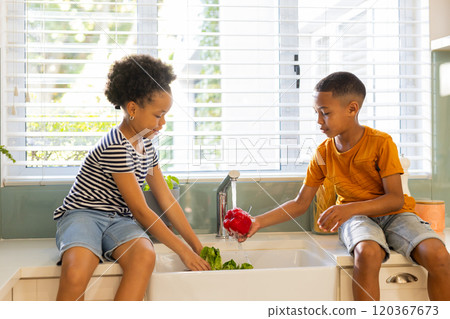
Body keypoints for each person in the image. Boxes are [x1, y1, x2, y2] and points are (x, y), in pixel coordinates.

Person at [241, 71, 450, 301]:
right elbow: (300, 203)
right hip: (356, 219)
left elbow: (395, 199)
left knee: (439, 254)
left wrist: (347, 209)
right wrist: (258, 221)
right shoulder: (323, 153)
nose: (319, 121)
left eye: (325, 113)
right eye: (316, 113)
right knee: (367, 253)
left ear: (352, 109)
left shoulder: (381, 143)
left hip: (395, 215)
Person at [53, 54, 210, 301]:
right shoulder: (116, 145)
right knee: (76, 270)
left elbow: (166, 199)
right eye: (158, 115)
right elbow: (140, 209)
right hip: (84, 214)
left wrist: (196, 245)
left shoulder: (146, 146)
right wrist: (182, 250)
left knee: (144, 256)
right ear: (133, 109)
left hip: (119, 220)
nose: (163, 123)